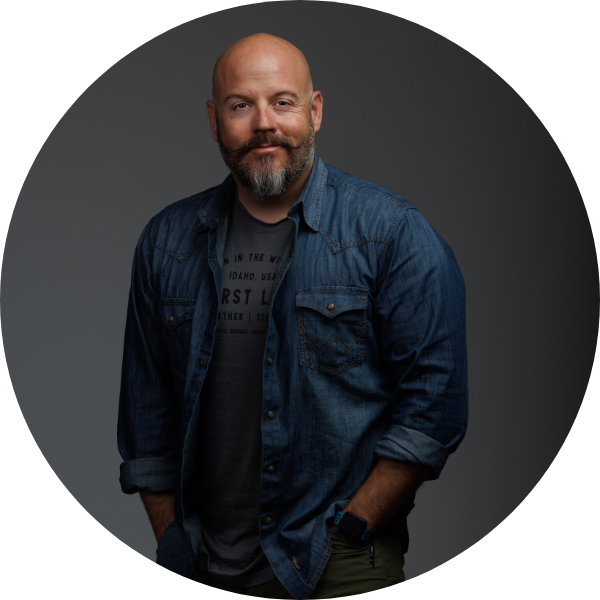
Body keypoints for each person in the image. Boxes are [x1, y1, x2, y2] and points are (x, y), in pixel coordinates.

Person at [117, 32, 468, 600]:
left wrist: (353, 527)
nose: (264, 123)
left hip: (337, 564)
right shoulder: (166, 243)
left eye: (282, 102)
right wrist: (171, 537)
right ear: (214, 120)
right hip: (202, 564)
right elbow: (146, 412)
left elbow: (435, 407)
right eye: (240, 105)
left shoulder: (393, 235)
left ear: (315, 110)